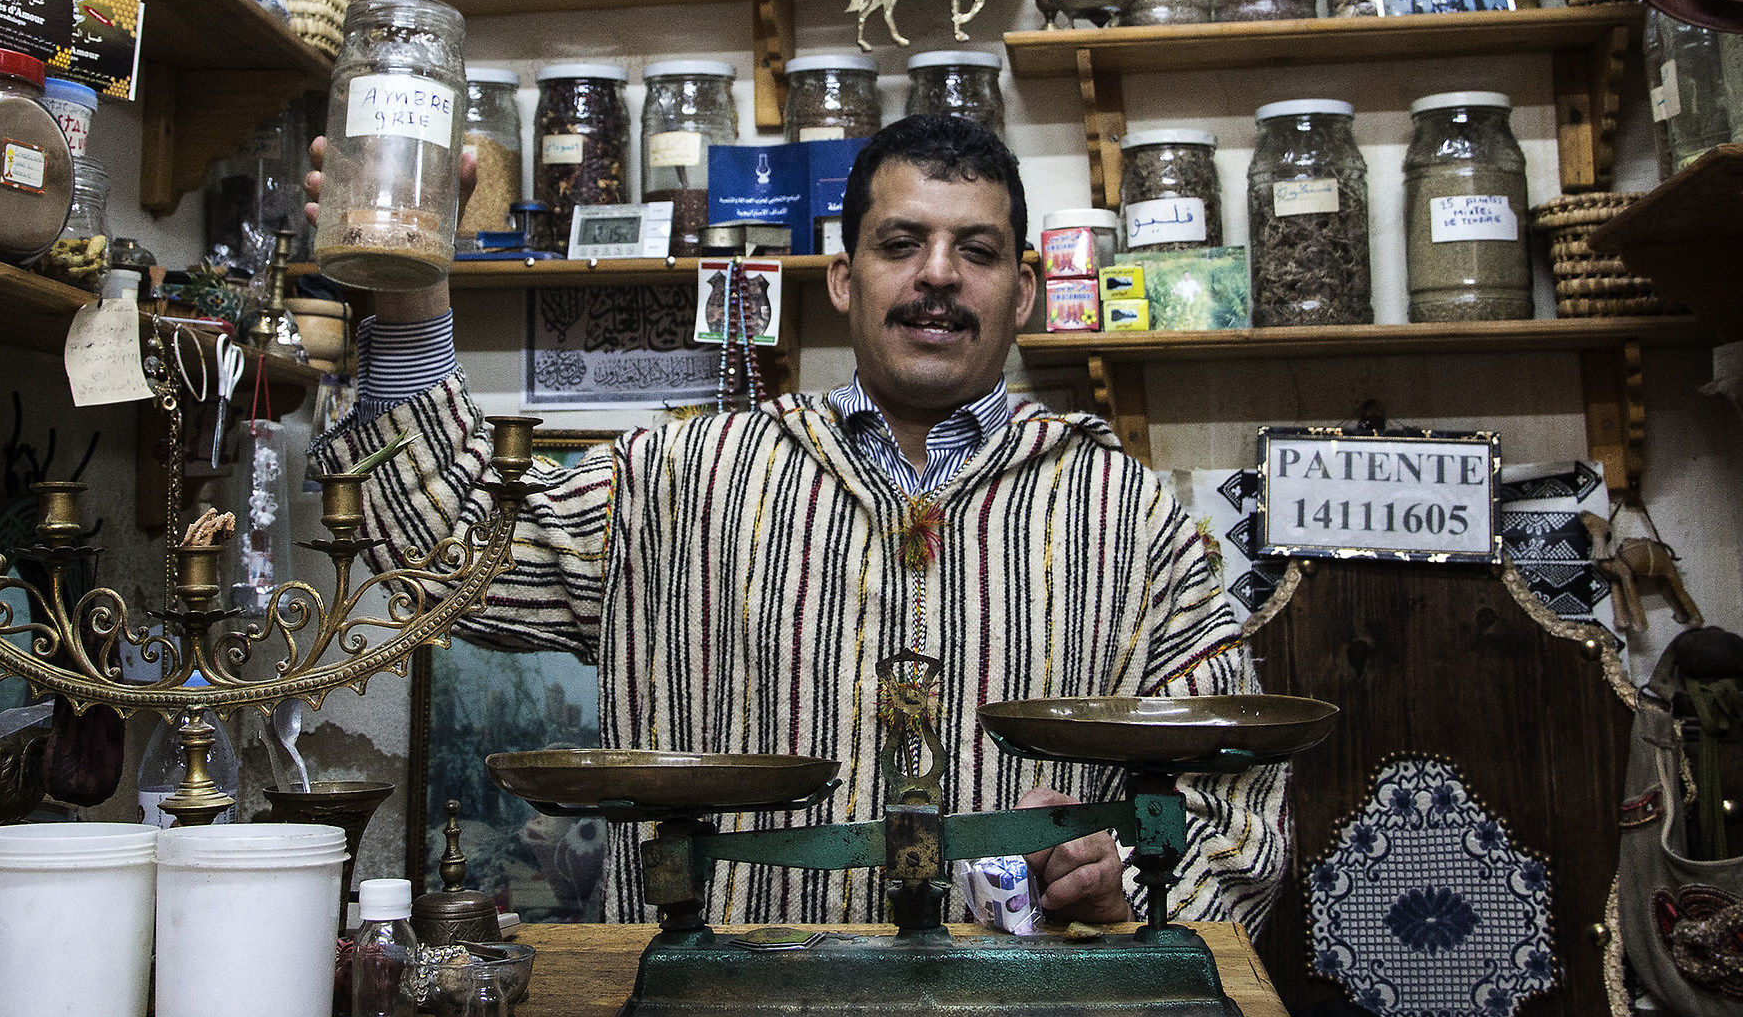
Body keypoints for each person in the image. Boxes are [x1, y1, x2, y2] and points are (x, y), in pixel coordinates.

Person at [305, 114, 1286, 927]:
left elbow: (1239, 803)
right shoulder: (688, 479)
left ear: (1023, 291)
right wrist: (412, 298)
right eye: (901, 243)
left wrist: (1127, 885)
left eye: (977, 250)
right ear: (845, 280)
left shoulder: (1128, 515)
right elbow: (446, 551)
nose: (938, 273)